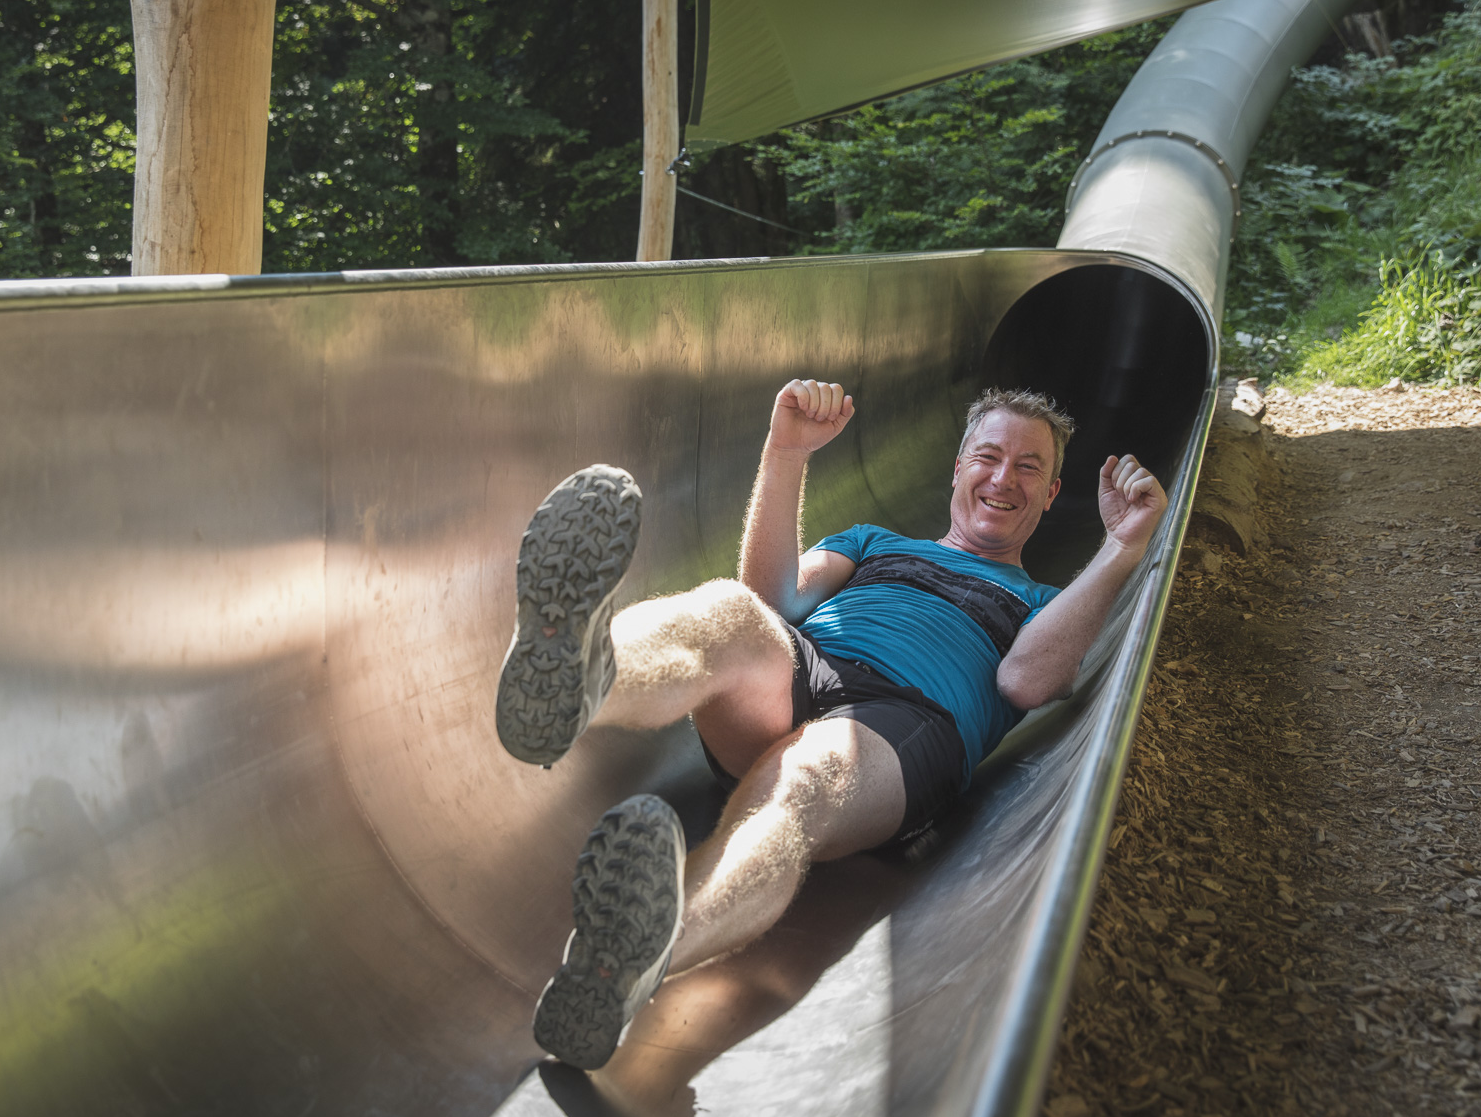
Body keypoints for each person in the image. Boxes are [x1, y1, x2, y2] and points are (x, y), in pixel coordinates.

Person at [494, 379, 1168, 1070]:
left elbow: (1026, 680)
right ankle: (576, 677)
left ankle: (632, 958)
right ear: (958, 467)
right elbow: (771, 598)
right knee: (729, 611)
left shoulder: (1042, 599)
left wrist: (1121, 549)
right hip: (804, 667)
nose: (1003, 479)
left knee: (808, 779)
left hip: (908, 722)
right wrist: (786, 452)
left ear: (1051, 495)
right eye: (988, 457)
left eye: (1028, 468)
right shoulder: (874, 541)